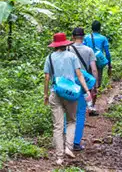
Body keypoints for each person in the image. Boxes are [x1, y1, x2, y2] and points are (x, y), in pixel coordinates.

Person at [44, 32, 92, 165]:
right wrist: (86, 90)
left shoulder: (49, 57)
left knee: (57, 126)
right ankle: (68, 147)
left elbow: (47, 77)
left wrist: (46, 94)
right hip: (71, 93)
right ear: (65, 44)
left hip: (56, 92)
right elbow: (79, 74)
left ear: (55, 45)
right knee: (71, 121)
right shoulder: (72, 56)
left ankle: (59, 157)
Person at [69, 27, 98, 151]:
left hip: (69, 84)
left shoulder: (68, 49)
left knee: (69, 113)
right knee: (80, 113)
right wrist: (94, 86)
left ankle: (67, 141)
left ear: (73, 36)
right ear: (83, 36)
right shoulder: (89, 50)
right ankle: (76, 143)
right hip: (83, 84)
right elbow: (94, 69)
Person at [84, 20, 112, 90]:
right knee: (97, 82)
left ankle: (89, 96)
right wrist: (109, 65)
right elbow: (107, 53)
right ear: (100, 28)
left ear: (92, 28)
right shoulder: (103, 38)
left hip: (88, 61)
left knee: (88, 80)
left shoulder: (86, 37)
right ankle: (94, 95)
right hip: (99, 61)